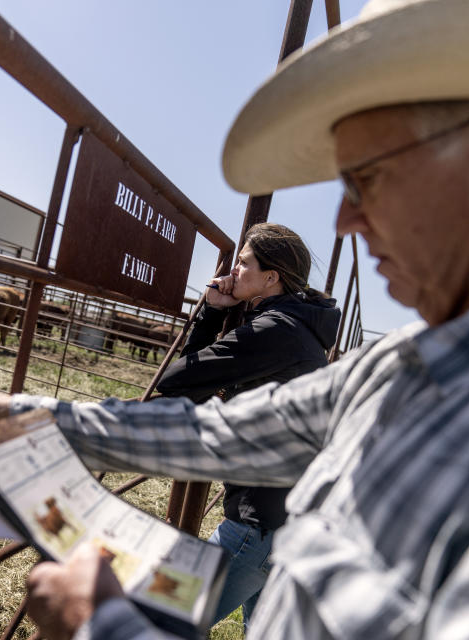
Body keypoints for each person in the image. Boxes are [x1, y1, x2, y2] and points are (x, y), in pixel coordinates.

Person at [0, 0, 469, 637]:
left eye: (369, 178)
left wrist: (108, 627)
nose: (348, 218)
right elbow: (221, 432)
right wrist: (13, 410)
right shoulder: (409, 362)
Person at [156, 222, 340, 629]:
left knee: (161, 618)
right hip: (283, 517)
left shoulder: (277, 331)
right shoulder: (300, 326)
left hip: (257, 524)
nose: (233, 271)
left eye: (243, 263)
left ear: (270, 277)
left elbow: (177, 383)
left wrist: (210, 312)